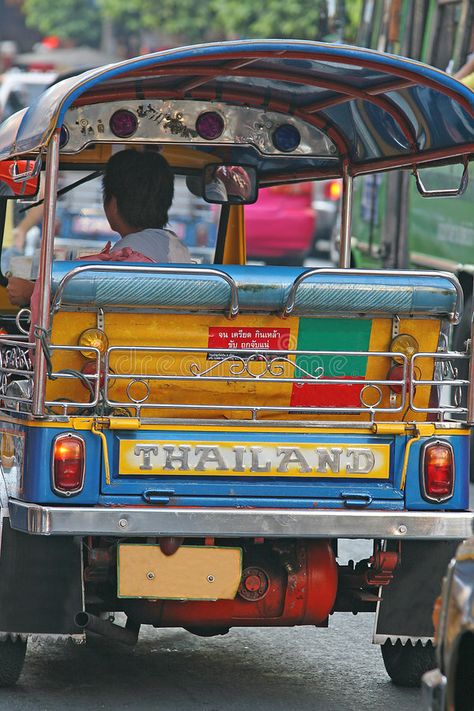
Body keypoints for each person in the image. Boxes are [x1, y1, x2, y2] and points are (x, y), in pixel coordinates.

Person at [6, 149, 192, 307]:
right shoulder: (176, 248)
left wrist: (33, 293)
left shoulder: (129, 257)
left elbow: (96, 309)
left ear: (113, 204)